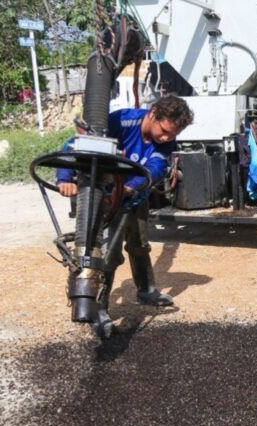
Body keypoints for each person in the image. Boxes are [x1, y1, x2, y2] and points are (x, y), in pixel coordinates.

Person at [56, 94, 194, 326]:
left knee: (139, 245)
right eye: (164, 131)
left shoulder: (166, 142)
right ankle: (101, 308)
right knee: (108, 254)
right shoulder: (121, 122)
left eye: (173, 135)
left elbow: (156, 167)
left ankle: (146, 290)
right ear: (153, 115)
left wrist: (131, 188)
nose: (167, 138)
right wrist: (64, 178)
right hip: (107, 198)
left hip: (135, 196)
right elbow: (76, 144)